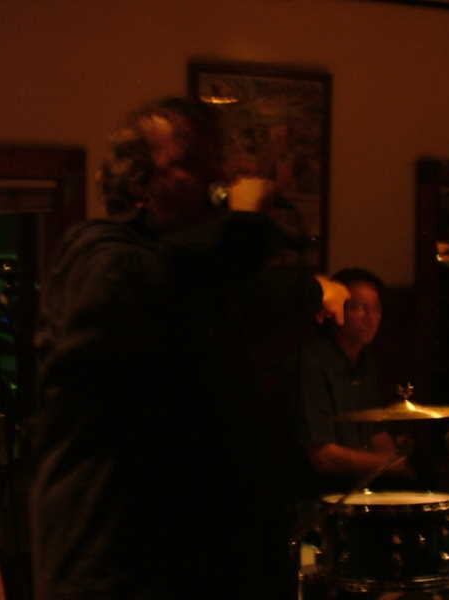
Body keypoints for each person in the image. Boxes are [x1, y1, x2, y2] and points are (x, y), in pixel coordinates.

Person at [28, 96, 349, 600]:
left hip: (201, 559)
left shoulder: (201, 273)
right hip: (113, 558)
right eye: (194, 163)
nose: (216, 178)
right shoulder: (98, 255)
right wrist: (247, 224)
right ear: (139, 182)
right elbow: (161, 286)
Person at [296, 267, 413, 496]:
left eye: (376, 309)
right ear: (336, 311)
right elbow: (323, 457)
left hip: (359, 487)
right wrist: (391, 464)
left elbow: (376, 433)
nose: (370, 319)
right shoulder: (313, 361)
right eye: (359, 308)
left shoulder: (365, 361)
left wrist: (397, 460)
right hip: (322, 492)